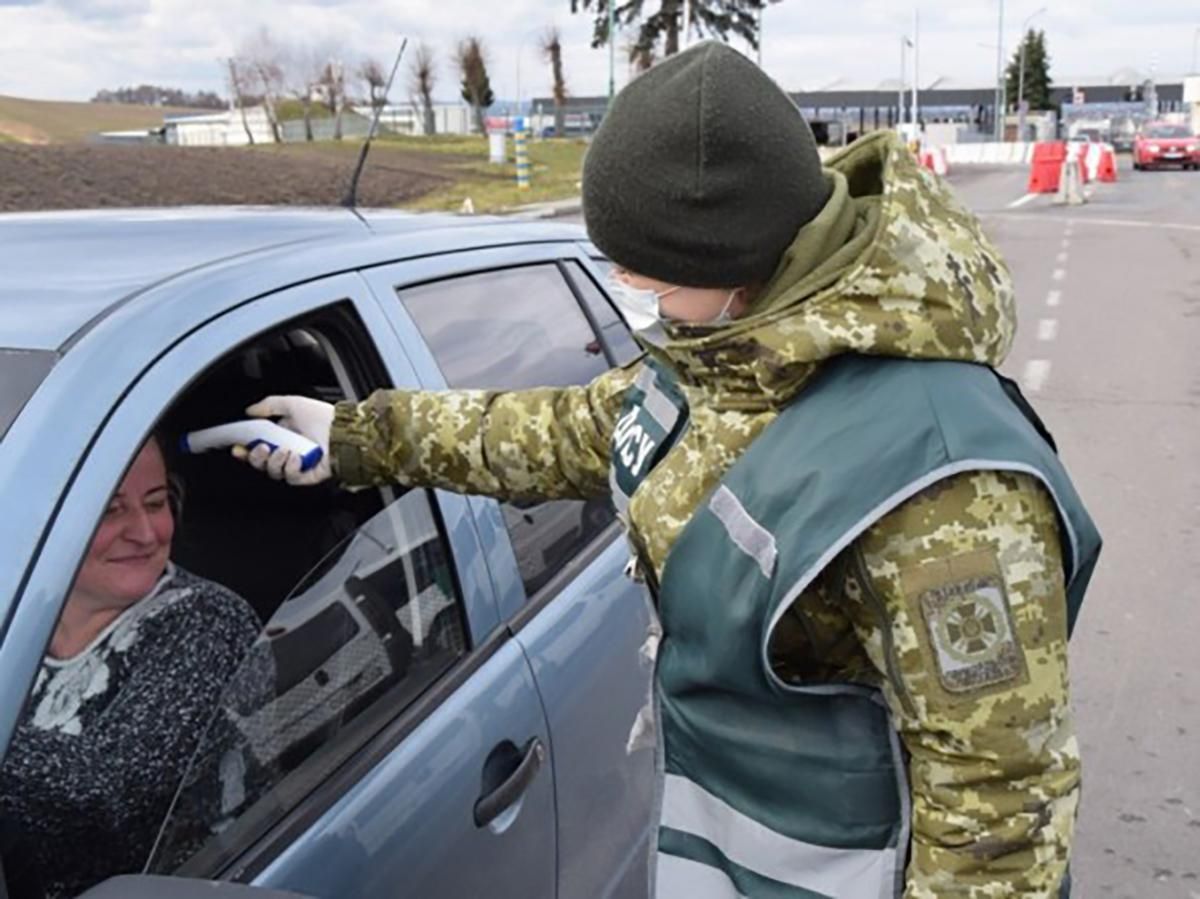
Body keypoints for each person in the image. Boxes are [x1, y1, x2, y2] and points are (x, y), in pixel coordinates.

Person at [237, 42, 1099, 899]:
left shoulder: (942, 483)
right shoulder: (723, 356)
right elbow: (566, 430)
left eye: (641, 271)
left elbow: (1000, 811)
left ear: (728, 257)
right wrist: (360, 433)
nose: (622, 282)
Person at [0, 435, 261, 898]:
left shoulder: (208, 622)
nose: (145, 533)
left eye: (156, 503)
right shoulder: (14, 609)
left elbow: (106, 792)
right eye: (110, 510)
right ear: (40, 518)